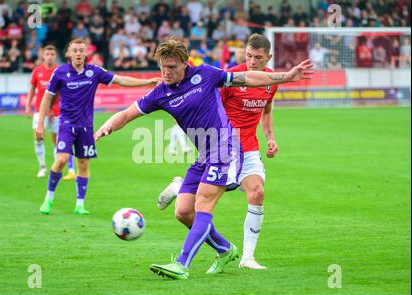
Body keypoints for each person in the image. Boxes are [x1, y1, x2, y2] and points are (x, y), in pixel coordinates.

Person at [94, 38, 314, 279]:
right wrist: (107, 127)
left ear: (185, 64)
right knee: (183, 212)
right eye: (162, 67)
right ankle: (225, 249)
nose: (166, 73)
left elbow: (248, 78)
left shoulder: (206, 74)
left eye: (172, 67)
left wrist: (286, 76)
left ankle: (182, 264)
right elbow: (127, 114)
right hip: (205, 154)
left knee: (204, 204)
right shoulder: (160, 94)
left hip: (226, 149)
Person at [157, 34, 280, 270]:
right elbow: (209, 106)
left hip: (250, 146)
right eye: (249, 56)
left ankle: (247, 258)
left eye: (258, 57)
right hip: (223, 146)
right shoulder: (233, 77)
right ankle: (182, 187)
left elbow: (266, 110)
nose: (252, 61)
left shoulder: (269, 81)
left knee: (257, 193)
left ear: (268, 57)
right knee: (193, 207)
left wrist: (270, 137)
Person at [36, 38, 160, 216]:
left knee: (83, 163)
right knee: (62, 159)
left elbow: (120, 80)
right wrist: (40, 124)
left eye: (81, 50)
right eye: (75, 51)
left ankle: (80, 204)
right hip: (66, 125)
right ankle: (48, 199)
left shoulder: (94, 71)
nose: (78, 54)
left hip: (86, 127)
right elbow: (47, 99)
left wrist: (146, 82)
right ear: (68, 54)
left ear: (86, 53)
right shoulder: (60, 72)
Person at [25, 45, 76, 179]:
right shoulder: (37, 71)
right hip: (39, 111)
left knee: (57, 140)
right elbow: (32, 89)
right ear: (43, 56)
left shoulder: (59, 71)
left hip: (57, 111)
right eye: (47, 54)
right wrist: (27, 106)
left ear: (56, 56)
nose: (49, 56)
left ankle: (56, 168)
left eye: (52, 54)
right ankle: (42, 167)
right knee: (38, 137)